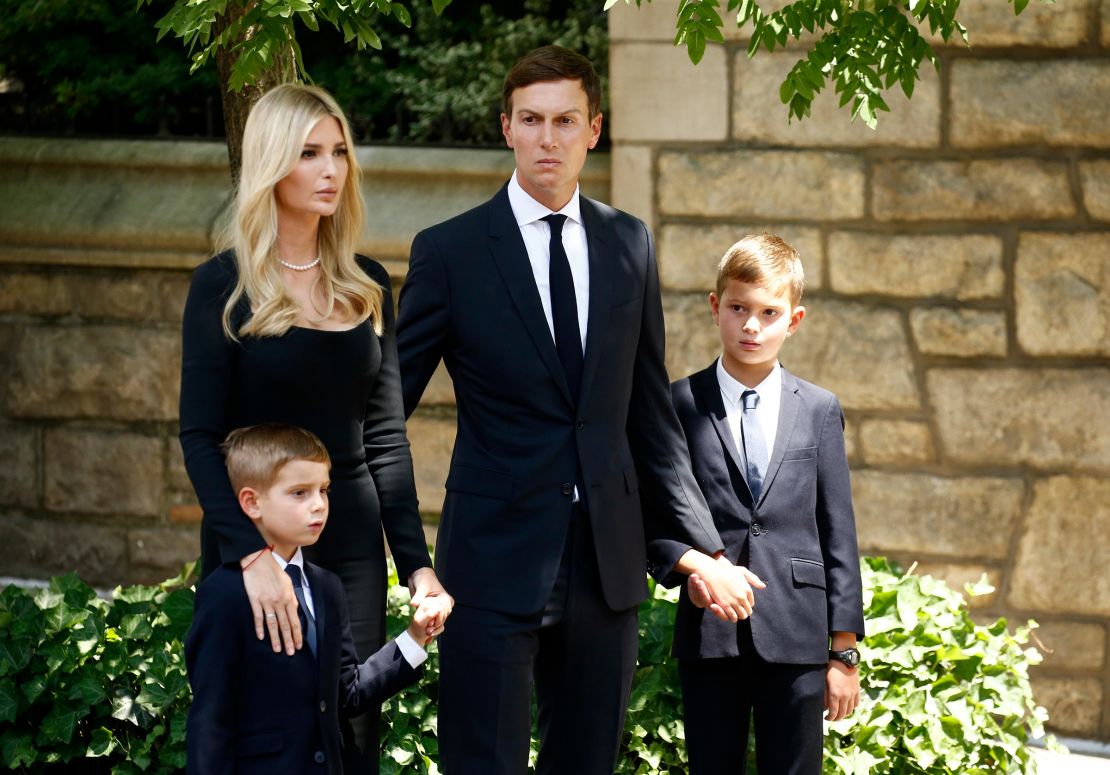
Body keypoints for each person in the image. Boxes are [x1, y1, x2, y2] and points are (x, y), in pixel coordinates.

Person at [395, 45, 758, 774]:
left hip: (606, 565)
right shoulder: (450, 252)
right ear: (506, 127)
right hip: (491, 562)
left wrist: (703, 546)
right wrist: (410, 559)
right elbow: (382, 416)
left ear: (595, 128)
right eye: (531, 120)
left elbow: (649, 416)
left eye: (565, 120)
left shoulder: (629, 242)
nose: (548, 138)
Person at [178, 83, 451, 774]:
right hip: (255, 538)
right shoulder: (223, 286)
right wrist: (251, 555)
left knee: (350, 726)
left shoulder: (366, 284)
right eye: (309, 154)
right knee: (265, 726)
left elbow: (385, 437)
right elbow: (199, 434)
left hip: (351, 540)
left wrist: (415, 564)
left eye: (339, 152)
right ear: (272, 163)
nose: (332, 170)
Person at [649, 234, 865, 774]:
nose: (751, 325)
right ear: (715, 307)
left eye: (768, 313)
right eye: (739, 308)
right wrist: (685, 567)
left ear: (793, 320)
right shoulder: (677, 403)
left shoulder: (818, 409)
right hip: (709, 631)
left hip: (798, 631)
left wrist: (843, 654)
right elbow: (652, 517)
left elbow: (838, 530)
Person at [186, 424, 440, 775]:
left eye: (324, 489)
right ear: (251, 502)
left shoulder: (327, 589)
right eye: (299, 493)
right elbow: (211, 723)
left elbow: (346, 693)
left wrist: (414, 638)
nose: (319, 504)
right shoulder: (225, 593)